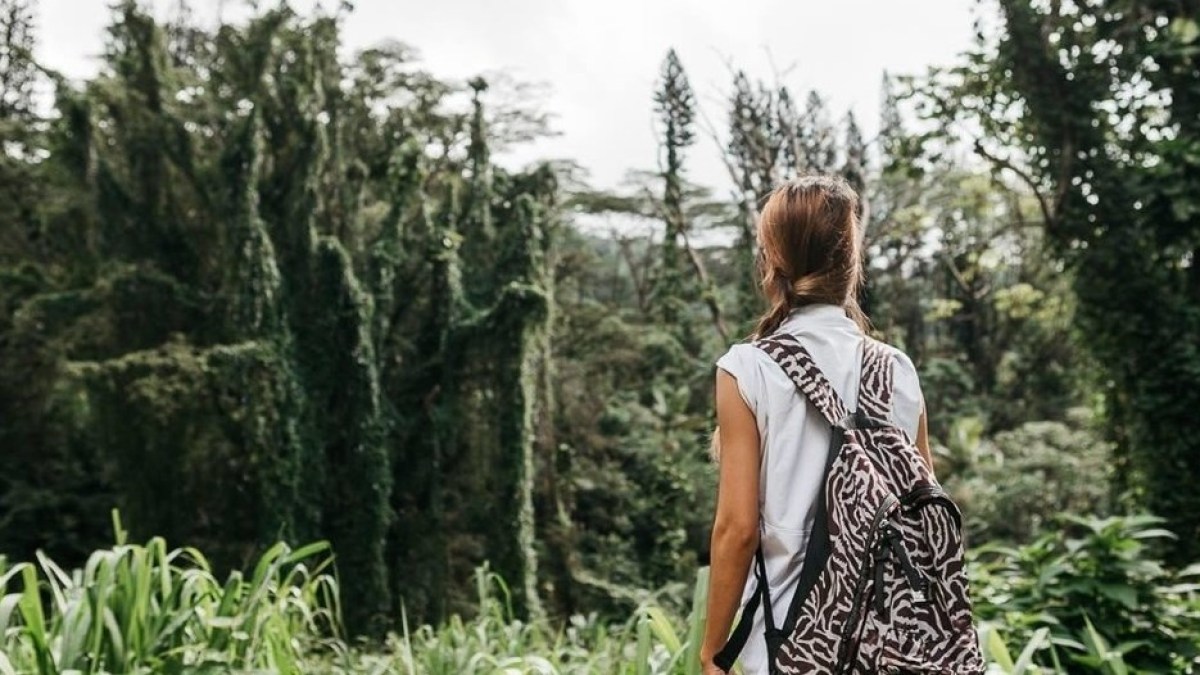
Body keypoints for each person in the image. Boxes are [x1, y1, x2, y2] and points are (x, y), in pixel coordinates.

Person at [699, 175, 935, 675]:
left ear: (772, 261)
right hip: (890, 644)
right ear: (852, 266)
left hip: (788, 643)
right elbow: (923, 515)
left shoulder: (749, 368)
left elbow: (737, 529)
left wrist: (713, 650)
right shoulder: (896, 369)